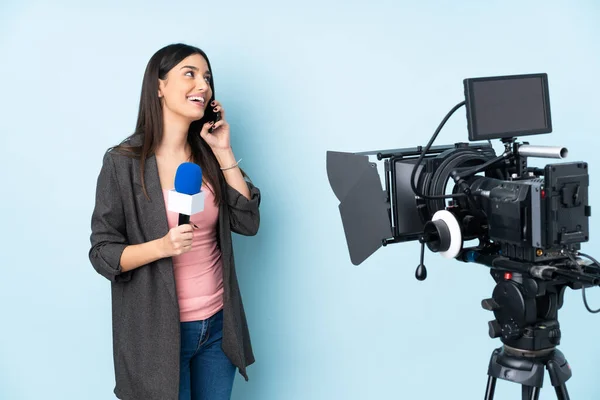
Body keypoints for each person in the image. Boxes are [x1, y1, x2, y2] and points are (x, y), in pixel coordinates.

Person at [88, 43, 261, 400]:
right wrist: (162, 247)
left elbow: (247, 221)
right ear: (159, 86)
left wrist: (224, 151)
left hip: (217, 326)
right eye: (190, 73)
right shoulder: (122, 163)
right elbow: (102, 253)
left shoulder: (208, 157)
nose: (203, 85)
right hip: (157, 334)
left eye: (207, 78)